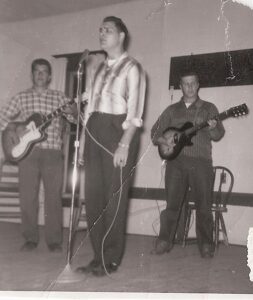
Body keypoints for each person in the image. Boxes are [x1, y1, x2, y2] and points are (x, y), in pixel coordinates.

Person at [76, 16, 146, 277]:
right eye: (100, 30)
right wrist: (83, 144)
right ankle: (97, 256)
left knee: (113, 198)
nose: (102, 34)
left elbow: (135, 112)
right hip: (94, 130)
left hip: (119, 131)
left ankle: (111, 258)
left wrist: (124, 146)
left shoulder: (133, 68)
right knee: (93, 198)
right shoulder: (98, 69)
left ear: (121, 36)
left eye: (108, 30)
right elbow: (90, 109)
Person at [0, 58, 76, 252]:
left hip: (53, 152)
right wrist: (10, 138)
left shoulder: (60, 97)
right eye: (37, 71)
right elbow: (3, 117)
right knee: (27, 197)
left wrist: (73, 110)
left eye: (44, 71)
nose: (40, 75)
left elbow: (76, 119)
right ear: (32, 74)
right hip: (28, 153)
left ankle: (54, 241)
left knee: (53, 197)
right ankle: (30, 238)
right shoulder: (21, 97)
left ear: (50, 76)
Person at [151, 70, 225, 258]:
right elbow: (154, 134)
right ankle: (164, 241)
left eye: (193, 83)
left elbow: (218, 136)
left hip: (202, 163)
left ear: (198, 84)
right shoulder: (171, 110)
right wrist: (165, 142)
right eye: (186, 83)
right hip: (175, 164)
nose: (190, 87)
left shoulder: (209, 108)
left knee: (204, 206)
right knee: (172, 206)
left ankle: (206, 245)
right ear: (181, 86)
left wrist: (214, 128)